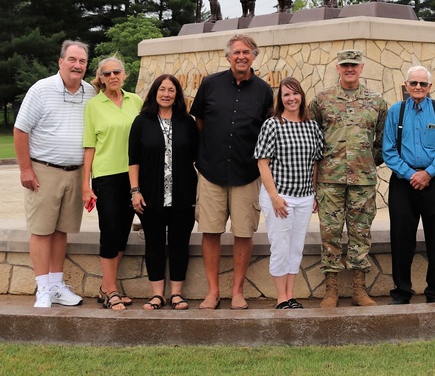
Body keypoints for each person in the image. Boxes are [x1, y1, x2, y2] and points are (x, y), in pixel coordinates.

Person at [190, 34, 274, 309]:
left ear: (254, 56)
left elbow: (266, 131)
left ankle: (237, 291)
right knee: (211, 231)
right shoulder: (210, 84)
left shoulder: (263, 90)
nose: (241, 56)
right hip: (211, 171)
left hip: (246, 172)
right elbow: (199, 121)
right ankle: (212, 292)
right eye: (236, 52)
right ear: (228, 57)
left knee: (243, 233)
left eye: (247, 52)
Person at [13, 40, 93, 309]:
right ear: (61, 62)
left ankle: (57, 285)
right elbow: (21, 129)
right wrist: (25, 168)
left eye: (82, 61)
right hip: (44, 171)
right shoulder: (41, 89)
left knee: (61, 231)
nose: (77, 65)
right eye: (72, 59)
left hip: (75, 172)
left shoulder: (90, 92)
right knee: (41, 230)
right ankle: (43, 288)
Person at [309, 49, 388, 307]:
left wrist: (366, 161)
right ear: (338, 67)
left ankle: (358, 290)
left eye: (354, 65)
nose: (349, 69)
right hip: (330, 180)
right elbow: (313, 137)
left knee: (360, 234)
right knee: (329, 234)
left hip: (363, 181)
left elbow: (382, 140)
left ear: (362, 68)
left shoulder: (376, 101)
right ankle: (330, 290)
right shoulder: (322, 100)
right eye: (345, 65)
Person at [381, 66, 435, 304]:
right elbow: (388, 150)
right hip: (404, 183)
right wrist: (410, 174)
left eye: (423, 84)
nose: (418, 87)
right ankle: (402, 291)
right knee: (401, 239)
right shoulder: (396, 111)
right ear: (406, 85)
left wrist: (428, 173)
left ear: (430, 87)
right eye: (413, 83)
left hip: (434, 182)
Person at [128, 74, 199, 311]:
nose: (166, 94)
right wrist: (135, 191)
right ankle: (157, 295)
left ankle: (177, 295)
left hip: (183, 194)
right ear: (154, 92)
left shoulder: (187, 122)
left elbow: (197, 157)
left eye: (171, 90)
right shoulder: (141, 122)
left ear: (177, 94)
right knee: (154, 244)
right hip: (150, 195)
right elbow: (133, 160)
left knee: (180, 243)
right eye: (162, 89)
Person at [254, 77, 324, 309]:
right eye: (286, 95)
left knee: (296, 247)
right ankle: (281, 298)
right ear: (280, 99)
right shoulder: (273, 124)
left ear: (302, 96)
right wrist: (274, 196)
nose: (291, 98)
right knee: (280, 245)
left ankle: (291, 295)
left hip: (304, 197)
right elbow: (263, 163)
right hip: (280, 197)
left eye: (295, 94)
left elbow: (315, 162)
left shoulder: (312, 126)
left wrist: (313, 192)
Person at [82, 56, 143, 310]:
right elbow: (89, 146)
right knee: (109, 231)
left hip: (132, 176)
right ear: (101, 78)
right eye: (107, 74)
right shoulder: (93, 106)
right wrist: (86, 185)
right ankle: (111, 291)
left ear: (124, 74)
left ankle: (106, 287)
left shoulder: (136, 101)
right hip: (106, 176)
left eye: (116, 72)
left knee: (122, 232)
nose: (112, 77)